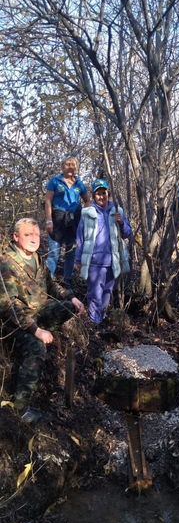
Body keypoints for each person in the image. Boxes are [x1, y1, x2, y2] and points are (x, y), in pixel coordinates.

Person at [0, 218, 85, 423]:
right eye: (28, 234)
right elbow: (8, 307)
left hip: (40, 312)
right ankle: (20, 410)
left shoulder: (37, 258)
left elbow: (52, 285)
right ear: (16, 237)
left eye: (36, 234)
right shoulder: (6, 264)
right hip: (15, 324)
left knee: (69, 307)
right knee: (37, 348)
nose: (34, 239)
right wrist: (36, 331)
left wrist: (70, 297)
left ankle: (48, 332)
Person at [75, 179, 132, 325]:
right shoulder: (87, 213)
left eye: (103, 193)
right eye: (98, 194)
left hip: (112, 261)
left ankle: (102, 320)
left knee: (106, 294)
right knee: (95, 295)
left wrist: (121, 222)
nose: (101, 196)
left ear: (108, 193)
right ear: (93, 196)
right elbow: (80, 237)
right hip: (94, 261)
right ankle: (95, 324)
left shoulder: (117, 211)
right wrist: (78, 259)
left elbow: (127, 233)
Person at [45, 155, 90, 289]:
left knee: (70, 253)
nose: (70, 167)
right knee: (54, 253)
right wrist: (48, 220)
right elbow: (48, 201)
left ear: (76, 167)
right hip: (57, 220)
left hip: (74, 221)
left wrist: (84, 217)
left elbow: (87, 200)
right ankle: (48, 283)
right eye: (67, 164)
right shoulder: (55, 181)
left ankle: (67, 282)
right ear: (62, 166)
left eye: (73, 164)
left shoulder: (79, 183)